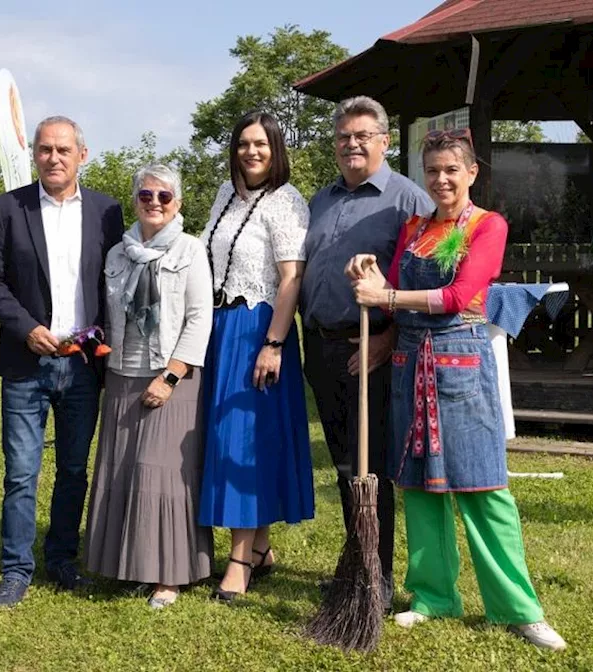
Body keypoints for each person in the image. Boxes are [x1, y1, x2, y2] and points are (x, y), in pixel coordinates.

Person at [347, 128, 567, 651]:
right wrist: (371, 274)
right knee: (420, 485)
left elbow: (461, 295)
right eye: (433, 171)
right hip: (410, 366)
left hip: (461, 367)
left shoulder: (488, 226)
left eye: (452, 169)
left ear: (472, 173)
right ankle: (432, 596)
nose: (441, 179)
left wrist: (391, 294)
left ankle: (518, 608)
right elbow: (388, 301)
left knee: (484, 487)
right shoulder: (415, 227)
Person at [0, 116, 125, 608]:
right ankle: (15, 570)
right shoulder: (7, 208)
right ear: (34, 155)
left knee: (74, 470)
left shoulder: (107, 212)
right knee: (21, 472)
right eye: (45, 149)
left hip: (82, 363)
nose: (54, 158)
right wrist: (26, 328)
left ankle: (62, 559)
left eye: (63, 149)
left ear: (83, 154)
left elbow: (116, 282)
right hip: (27, 362)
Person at [300, 96, 434, 607]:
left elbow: (426, 281)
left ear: (383, 140)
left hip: (372, 348)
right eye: (343, 137)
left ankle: (375, 575)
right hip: (323, 347)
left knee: (369, 466)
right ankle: (355, 563)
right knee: (341, 464)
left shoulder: (408, 201)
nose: (351, 145)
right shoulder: (321, 199)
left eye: (362, 136)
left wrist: (388, 338)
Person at [84, 164, 214, 609]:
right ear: (136, 199)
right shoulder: (117, 254)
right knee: (123, 469)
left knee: (161, 474)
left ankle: (170, 575)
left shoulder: (190, 250)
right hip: (122, 372)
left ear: (176, 202)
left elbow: (200, 318)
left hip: (171, 375)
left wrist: (171, 376)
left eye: (164, 196)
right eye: (146, 195)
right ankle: (129, 565)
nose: (154, 203)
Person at [197, 111, 313, 603]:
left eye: (261, 144)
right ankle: (261, 549)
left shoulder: (286, 202)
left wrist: (274, 343)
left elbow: (291, 278)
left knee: (244, 442)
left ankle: (239, 561)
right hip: (221, 328)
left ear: (276, 148)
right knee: (234, 439)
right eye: (244, 143)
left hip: (258, 330)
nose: (252, 152)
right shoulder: (227, 195)